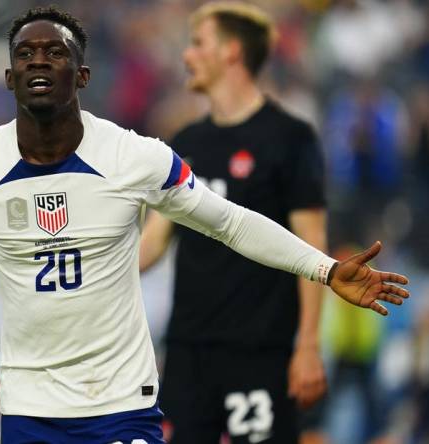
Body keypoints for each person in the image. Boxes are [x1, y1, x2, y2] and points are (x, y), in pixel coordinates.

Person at [0, 6, 410, 444]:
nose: (40, 61)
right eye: (26, 54)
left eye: (55, 53)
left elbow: (232, 224)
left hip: (122, 402)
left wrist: (324, 270)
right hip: (31, 410)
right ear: (8, 77)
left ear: (82, 74)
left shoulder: (136, 158)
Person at [137, 2, 328, 443]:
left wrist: (308, 345)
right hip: (188, 353)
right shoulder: (185, 144)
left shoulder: (291, 140)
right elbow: (151, 243)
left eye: (198, 43)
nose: (186, 56)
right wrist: (86, 273)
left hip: (260, 351)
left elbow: (312, 248)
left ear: (232, 52)